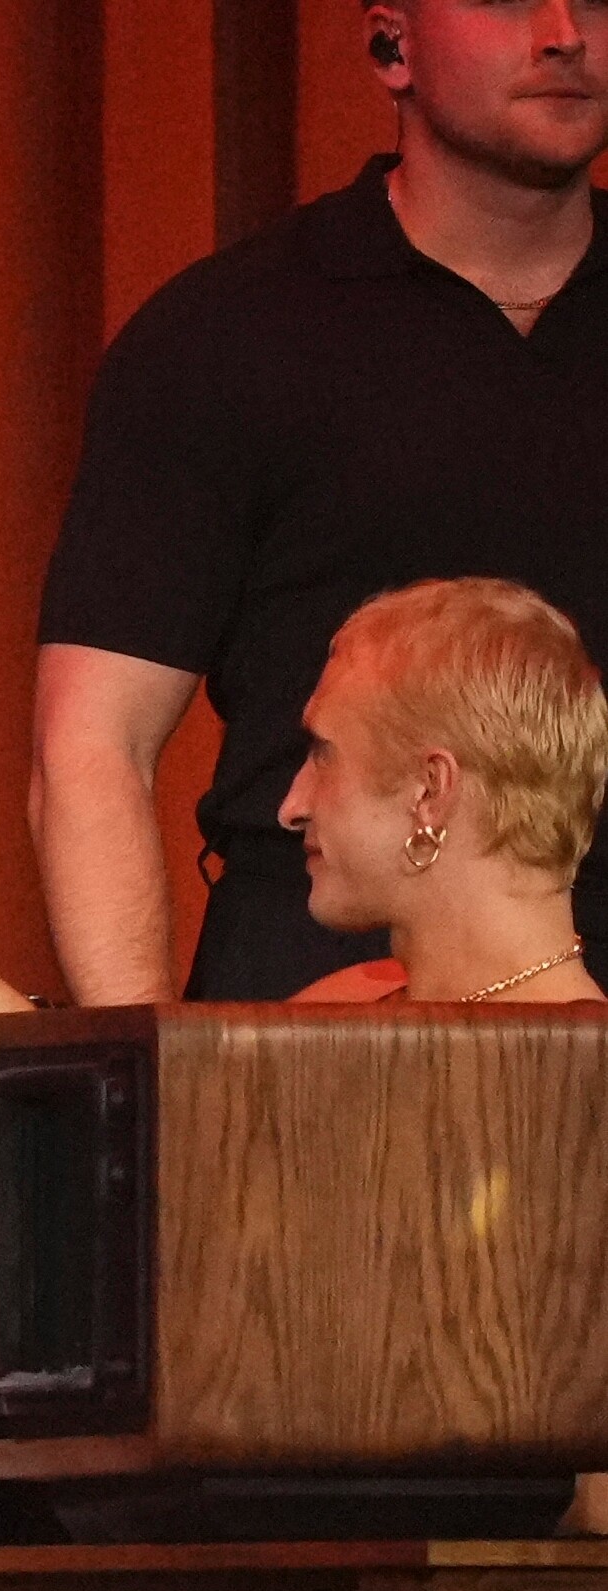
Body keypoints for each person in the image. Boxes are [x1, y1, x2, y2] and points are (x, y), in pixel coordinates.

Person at [33, 0, 608, 1008]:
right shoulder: (224, 335)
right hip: (312, 1008)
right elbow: (91, 746)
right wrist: (150, 1071)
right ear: (391, 44)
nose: (562, 31)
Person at [0, 576, 607, 1142]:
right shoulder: (347, 1013)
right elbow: (69, 1129)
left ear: (429, 791)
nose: (290, 804)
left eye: (322, 754)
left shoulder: (572, 1085)